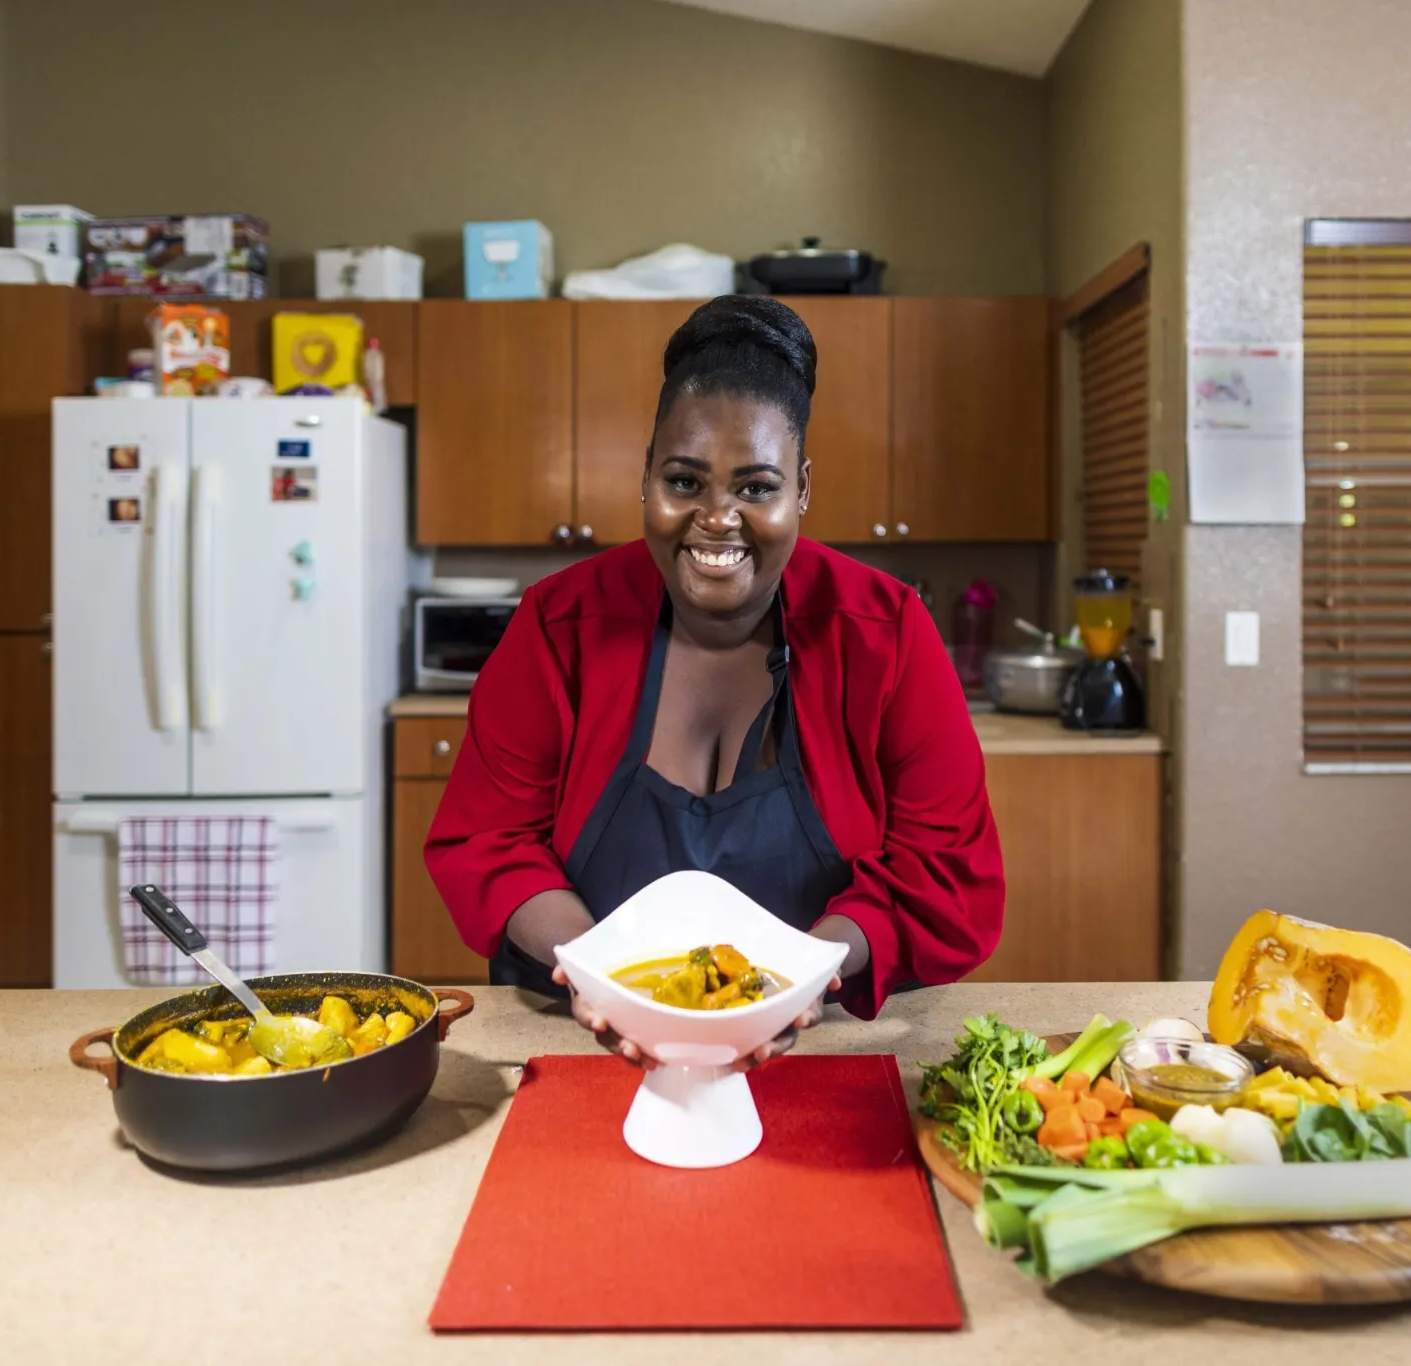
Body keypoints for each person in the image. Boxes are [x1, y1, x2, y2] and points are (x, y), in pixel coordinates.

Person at [425, 295, 1004, 1071]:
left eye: (756, 487)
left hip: (826, 1047)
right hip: (578, 1041)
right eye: (685, 481)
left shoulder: (886, 632)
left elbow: (945, 873)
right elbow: (490, 842)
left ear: (801, 487)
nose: (717, 518)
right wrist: (602, 976)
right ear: (646, 477)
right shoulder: (558, 626)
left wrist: (796, 980)